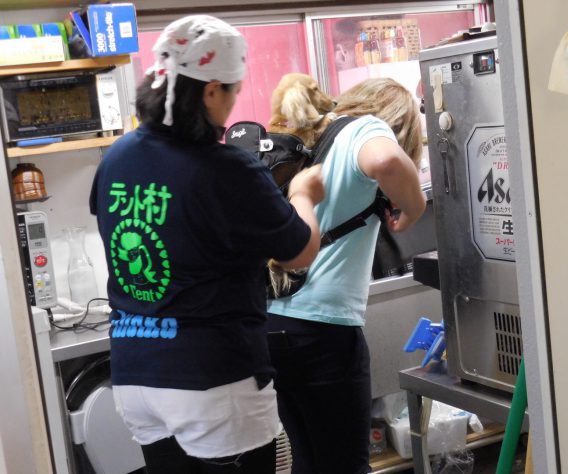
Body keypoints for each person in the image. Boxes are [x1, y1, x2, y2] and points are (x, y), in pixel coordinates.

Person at [89, 16, 324, 474]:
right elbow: (299, 251)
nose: (233, 104)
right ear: (212, 90)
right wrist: (303, 195)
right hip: (211, 379)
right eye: (233, 92)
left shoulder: (117, 156)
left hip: (136, 374)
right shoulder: (227, 168)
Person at [266, 77, 427, 474]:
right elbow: (386, 160)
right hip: (323, 331)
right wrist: (415, 205)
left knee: (307, 459)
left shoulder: (308, 137)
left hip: (270, 324)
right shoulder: (365, 128)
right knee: (345, 465)